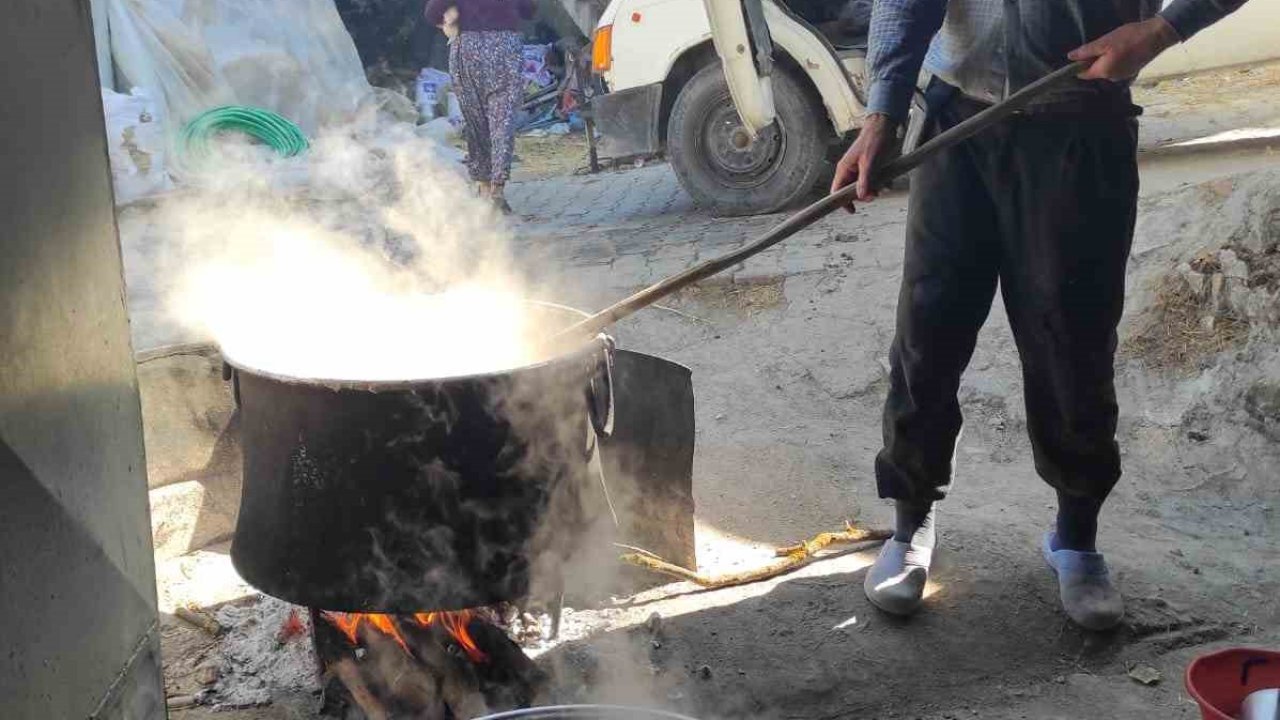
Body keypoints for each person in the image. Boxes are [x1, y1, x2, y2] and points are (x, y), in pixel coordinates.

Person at [833, 0, 1249, 629]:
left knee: (1071, 342)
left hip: (1080, 126)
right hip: (960, 126)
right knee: (928, 332)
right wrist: (882, 110)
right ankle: (911, 520)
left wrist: (1163, 30)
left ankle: (1076, 539)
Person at [424, 0, 535, 212]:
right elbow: (529, 9)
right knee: (502, 122)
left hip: (467, 49)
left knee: (476, 121)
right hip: (505, 49)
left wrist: (445, 21)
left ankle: (483, 186)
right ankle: (497, 189)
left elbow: (432, 11)